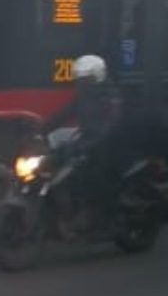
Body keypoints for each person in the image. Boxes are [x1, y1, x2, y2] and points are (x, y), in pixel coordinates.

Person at [40, 54, 125, 223]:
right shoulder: (83, 97)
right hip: (88, 141)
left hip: (108, 144)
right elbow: (64, 114)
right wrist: (41, 128)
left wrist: (95, 140)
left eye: (84, 79)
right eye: (79, 79)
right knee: (56, 157)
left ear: (97, 76)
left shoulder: (111, 97)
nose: (80, 83)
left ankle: (101, 213)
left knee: (88, 175)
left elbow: (112, 124)